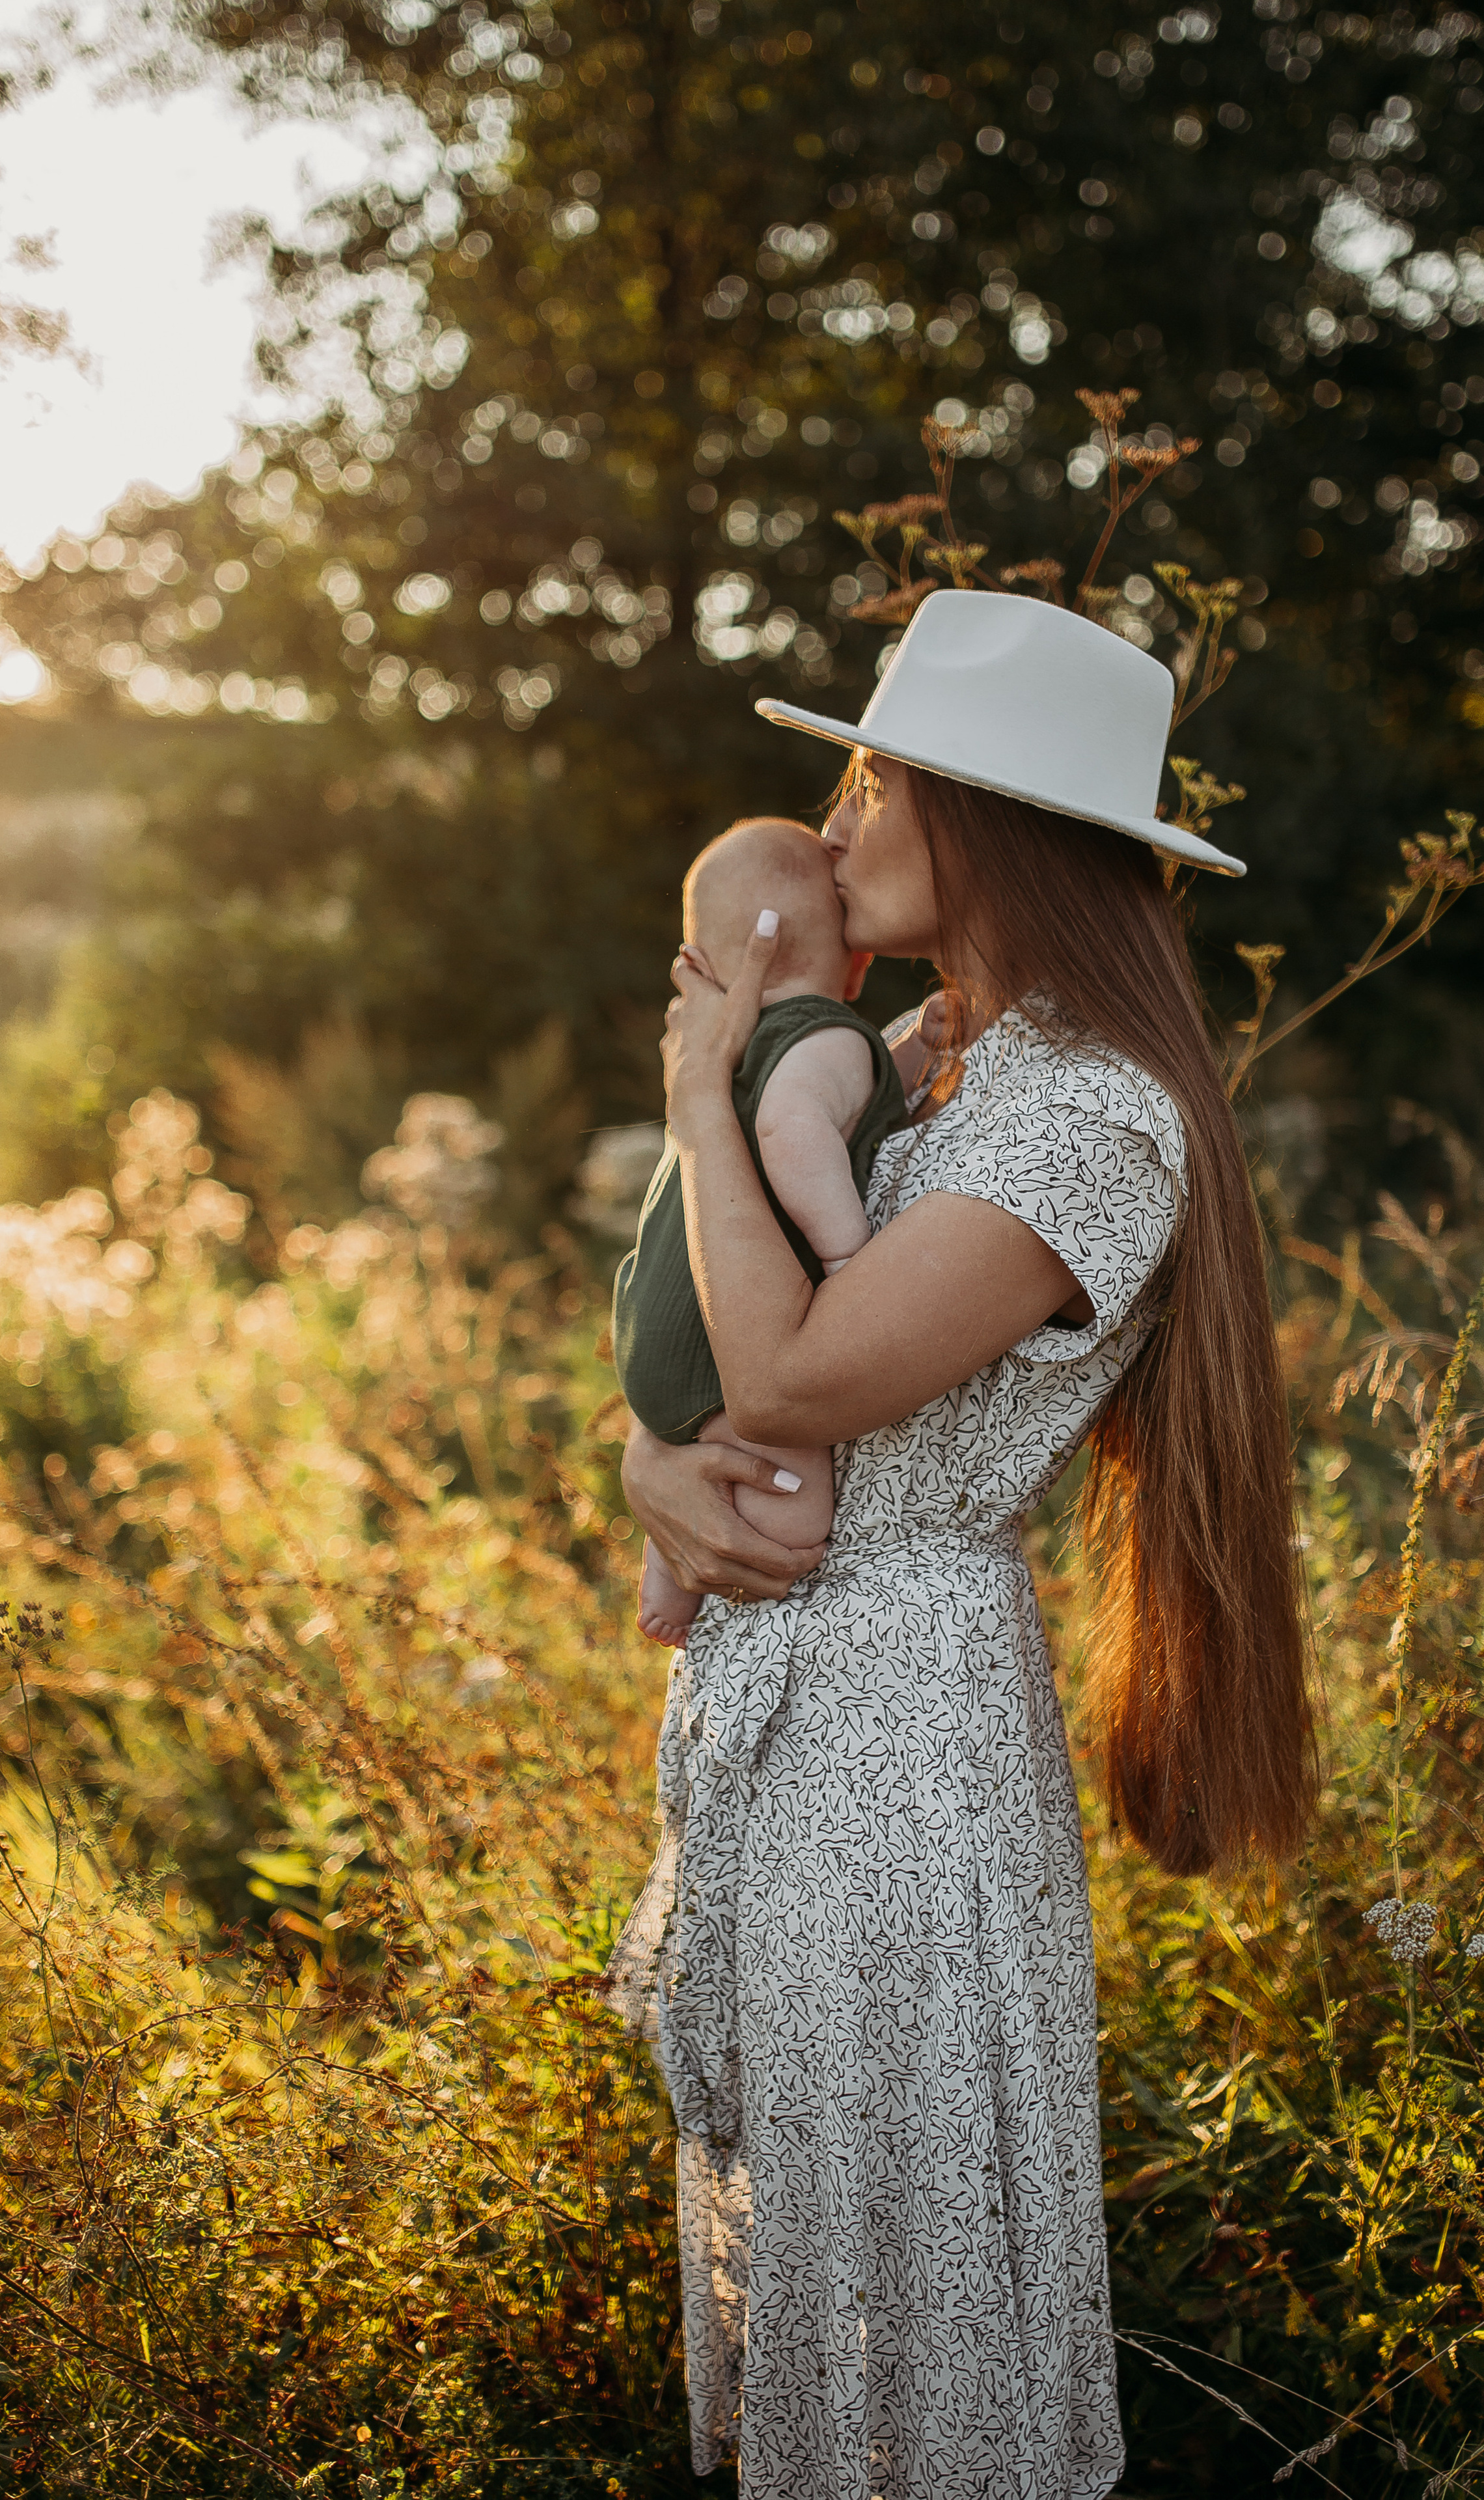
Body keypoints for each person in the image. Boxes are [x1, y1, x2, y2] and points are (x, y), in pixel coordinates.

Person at [604, 589, 1313, 2499]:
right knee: (817, 2234)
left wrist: (694, 1084)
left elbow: (807, 1365)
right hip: (795, 1702)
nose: (828, 828)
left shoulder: (1092, 1114)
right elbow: (700, 1350)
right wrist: (644, 1470)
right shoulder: (945, 1056)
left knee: (900, 2262)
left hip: (897, 1745)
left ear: (978, 819)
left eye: (867, 780)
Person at [614, 815, 906, 1645]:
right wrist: (848, 1251)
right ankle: (740, 1548)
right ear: (857, 963)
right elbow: (795, 1130)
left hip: (654, 1332)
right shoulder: (829, 1035)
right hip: (727, 1353)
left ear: (699, 966)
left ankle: (666, 1583)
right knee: (794, 1498)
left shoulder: (720, 1055)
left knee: (703, 1448)